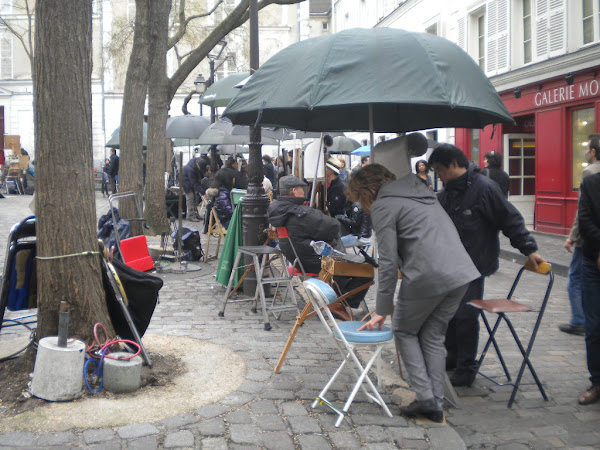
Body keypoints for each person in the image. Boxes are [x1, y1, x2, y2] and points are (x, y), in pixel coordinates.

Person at [351, 164, 480, 422]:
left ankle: (425, 398)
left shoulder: (383, 205)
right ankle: (435, 400)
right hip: (461, 273)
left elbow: (387, 262)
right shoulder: (422, 193)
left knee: (404, 331)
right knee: (432, 335)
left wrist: (381, 310)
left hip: (429, 274)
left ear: (365, 190)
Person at [428, 144, 545, 387]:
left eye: (439, 170)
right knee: (447, 314)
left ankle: (467, 366)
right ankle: (453, 357)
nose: (438, 176)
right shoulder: (447, 191)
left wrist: (529, 248)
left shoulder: (484, 188)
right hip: (448, 264)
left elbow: (509, 219)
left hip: (474, 263)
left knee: (466, 315)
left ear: (452, 164)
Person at [267, 175, 371, 321]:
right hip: (313, 259)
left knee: (350, 261)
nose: (304, 192)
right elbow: (333, 227)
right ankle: (340, 304)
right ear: (294, 191)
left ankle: (337, 300)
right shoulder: (300, 213)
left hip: (297, 257)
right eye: (301, 189)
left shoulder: (278, 209)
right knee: (366, 269)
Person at [561, 134, 600, 336]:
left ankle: (579, 320)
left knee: (576, 278)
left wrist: (572, 236)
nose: (585, 152)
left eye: (587, 148)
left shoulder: (589, 173)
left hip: (589, 239)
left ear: (593, 152)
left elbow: (582, 211)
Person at [577, 171, 600, 405]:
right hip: (594, 261)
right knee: (594, 326)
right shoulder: (591, 183)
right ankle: (597, 382)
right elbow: (585, 221)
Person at [182, 157, 207, 222]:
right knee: (190, 198)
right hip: (186, 184)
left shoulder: (194, 166)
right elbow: (194, 182)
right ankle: (191, 215)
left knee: (195, 198)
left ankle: (195, 213)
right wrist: (203, 192)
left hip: (192, 183)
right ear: (198, 165)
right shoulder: (190, 169)